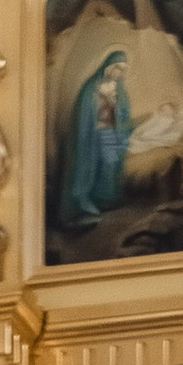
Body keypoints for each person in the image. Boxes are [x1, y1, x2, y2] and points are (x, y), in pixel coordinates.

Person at [59, 49, 132, 235]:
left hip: (112, 131)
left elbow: (124, 110)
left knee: (110, 164)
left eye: (122, 69)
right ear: (109, 67)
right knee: (90, 165)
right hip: (94, 133)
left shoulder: (119, 89)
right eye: (117, 68)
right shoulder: (92, 87)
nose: (119, 72)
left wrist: (119, 110)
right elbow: (85, 110)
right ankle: (84, 203)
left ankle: (106, 199)